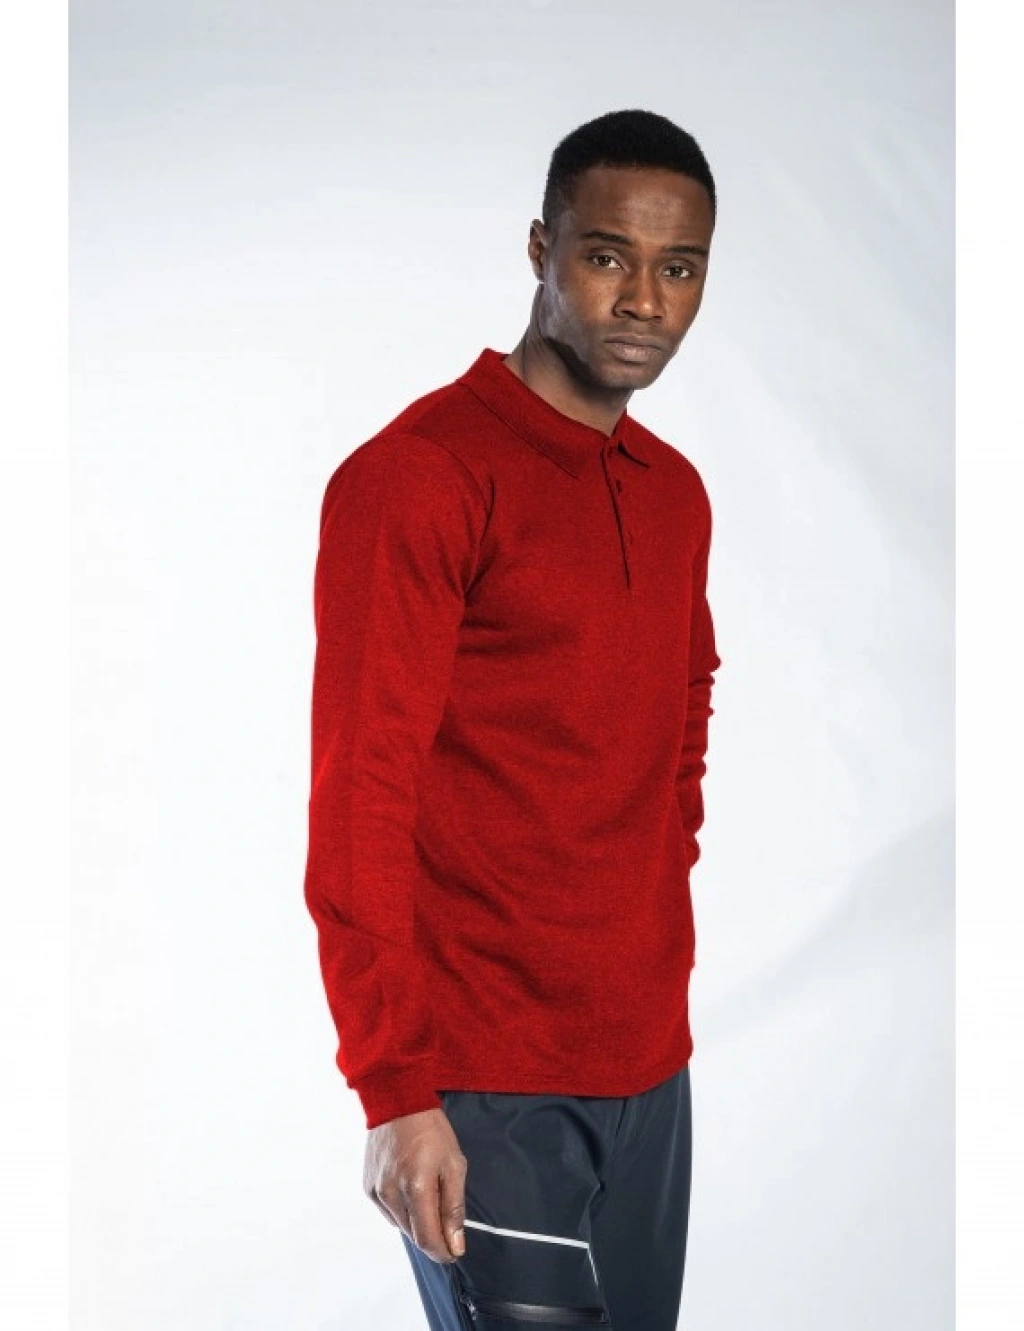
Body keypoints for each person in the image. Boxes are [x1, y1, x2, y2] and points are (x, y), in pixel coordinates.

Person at [303, 107, 722, 1330]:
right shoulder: (421, 475)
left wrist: (642, 907)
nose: (642, 300)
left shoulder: (675, 495)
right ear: (540, 248)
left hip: (647, 1066)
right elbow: (360, 792)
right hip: (480, 1077)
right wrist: (393, 1086)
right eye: (606, 256)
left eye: (679, 268)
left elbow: (683, 714)